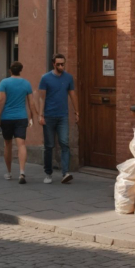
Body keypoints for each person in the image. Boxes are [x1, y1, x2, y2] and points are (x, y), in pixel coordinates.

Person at [0, 61, 37, 184]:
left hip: (7, 117)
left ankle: (9, 172)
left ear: (10, 70)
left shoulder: (4, 82)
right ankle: (22, 172)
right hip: (21, 117)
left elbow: (1, 101)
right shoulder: (26, 83)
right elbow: (31, 103)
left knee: (7, 144)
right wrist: (31, 118)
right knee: (21, 144)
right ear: (20, 70)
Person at [38, 53, 79, 184]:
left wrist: (77, 111)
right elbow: (41, 98)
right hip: (49, 116)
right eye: (59, 64)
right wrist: (40, 115)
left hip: (63, 116)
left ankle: (65, 173)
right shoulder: (45, 78)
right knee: (49, 146)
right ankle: (48, 173)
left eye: (63, 64)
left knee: (64, 143)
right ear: (53, 64)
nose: (61, 66)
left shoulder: (68, 78)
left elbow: (72, 94)